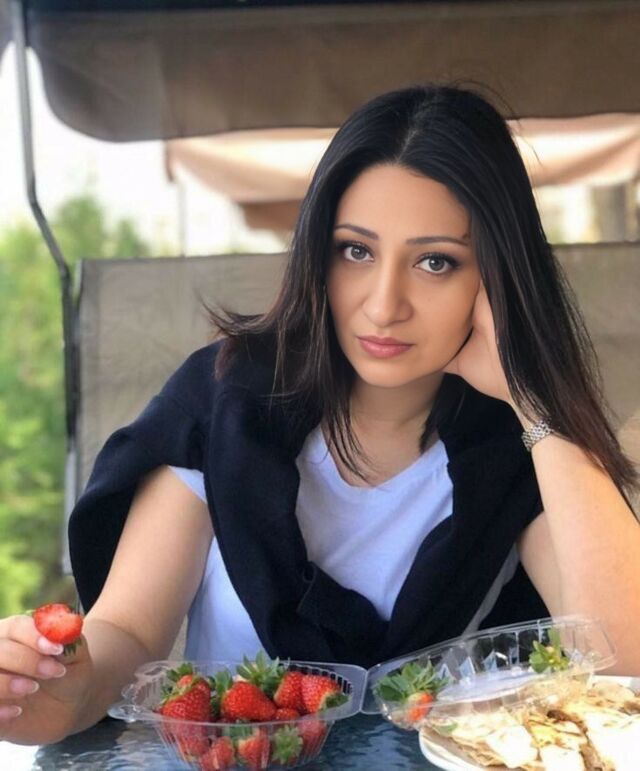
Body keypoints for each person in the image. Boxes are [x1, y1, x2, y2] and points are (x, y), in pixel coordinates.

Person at [1, 84, 639, 746]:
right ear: (317, 254)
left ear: (497, 277)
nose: (384, 305)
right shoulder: (226, 405)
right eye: (356, 250)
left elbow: (626, 664)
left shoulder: (518, 446)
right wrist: (55, 689)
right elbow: (127, 633)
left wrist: (534, 400)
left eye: (435, 262)